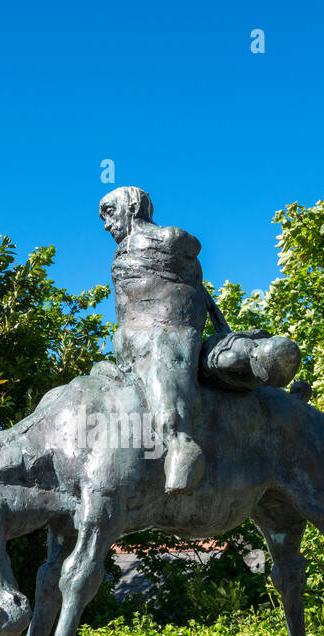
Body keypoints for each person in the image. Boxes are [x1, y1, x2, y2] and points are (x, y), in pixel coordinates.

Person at [99, 186, 229, 494]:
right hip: (130, 341)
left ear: (132, 207)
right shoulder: (123, 251)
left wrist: (153, 239)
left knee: (161, 363)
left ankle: (180, 444)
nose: (106, 225)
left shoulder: (167, 238)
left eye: (109, 213)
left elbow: (188, 244)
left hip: (169, 332)